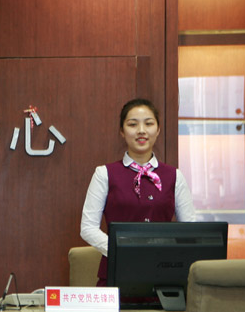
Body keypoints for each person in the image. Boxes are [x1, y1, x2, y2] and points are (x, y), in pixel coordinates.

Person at [80, 98, 196, 284]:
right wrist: (122, 250)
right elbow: (88, 228)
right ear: (122, 131)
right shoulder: (104, 174)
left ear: (158, 129)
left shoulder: (174, 175)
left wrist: (169, 251)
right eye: (133, 124)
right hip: (117, 273)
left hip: (164, 275)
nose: (141, 130)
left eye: (148, 124)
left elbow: (190, 229)